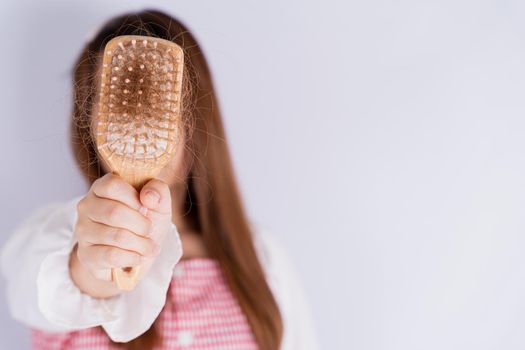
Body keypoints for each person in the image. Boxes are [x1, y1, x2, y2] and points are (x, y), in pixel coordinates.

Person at [0, 9, 318, 350]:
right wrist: (93, 267)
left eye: (160, 108)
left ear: (197, 120)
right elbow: (41, 289)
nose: (141, 124)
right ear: (89, 126)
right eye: (122, 109)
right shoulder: (52, 239)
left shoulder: (261, 258)